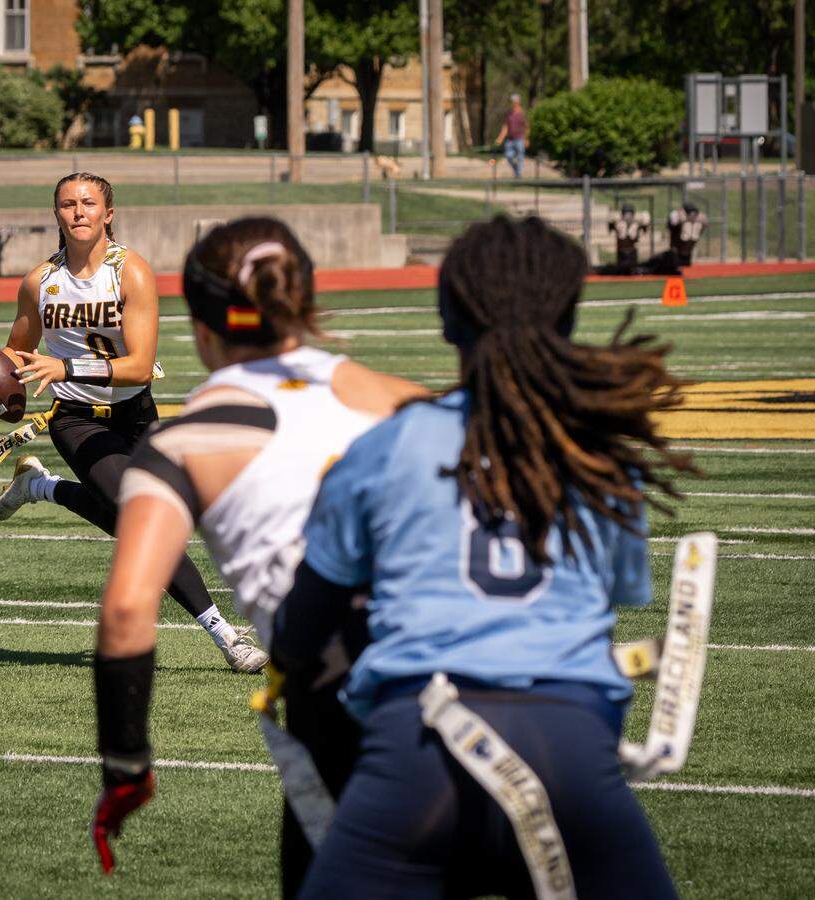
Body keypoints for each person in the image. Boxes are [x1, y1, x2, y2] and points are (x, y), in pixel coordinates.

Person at [271, 215, 696, 898]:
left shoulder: (388, 446)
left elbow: (299, 633)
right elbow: (612, 595)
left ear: (446, 319)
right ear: (568, 316)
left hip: (417, 753)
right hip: (573, 749)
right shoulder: (601, 455)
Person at [85, 216, 427, 886]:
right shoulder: (404, 401)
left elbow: (128, 611)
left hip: (351, 721)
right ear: (305, 300)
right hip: (502, 703)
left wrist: (126, 769)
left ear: (203, 330)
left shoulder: (185, 442)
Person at [0, 172, 266, 673]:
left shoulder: (130, 272)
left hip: (136, 414)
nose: (78, 212)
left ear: (108, 214)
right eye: (68, 204)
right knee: (147, 523)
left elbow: (140, 366)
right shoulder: (41, 281)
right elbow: (18, 349)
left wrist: (66, 366)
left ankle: (42, 488)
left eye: (88, 203)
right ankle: (226, 636)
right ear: (56, 215)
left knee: (131, 517)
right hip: (75, 421)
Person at [596, 204, 652, 275]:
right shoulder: (619, 225)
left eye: (629, 214)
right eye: (626, 214)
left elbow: (645, 228)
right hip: (621, 252)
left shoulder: (636, 225)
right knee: (621, 271)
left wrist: (646, 220)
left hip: (632, 252)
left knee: (632, 271)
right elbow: (611, 226)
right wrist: (610, 217)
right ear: (622, 214)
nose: (627, 216)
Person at [495, 94, 529, 178]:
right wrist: (500, 138)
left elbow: (527, 127)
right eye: (512, 102)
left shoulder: (522, 113)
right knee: (508, 156)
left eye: (514, 101)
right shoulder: (509, 114)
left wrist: (526, 139)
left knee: (520, 157)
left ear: (518, 102)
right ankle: (517, 171)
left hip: (520, 139)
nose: (513, 103)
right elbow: (505, 127)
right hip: (510, 139)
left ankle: (518, 175)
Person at [668, 201, 708, 266]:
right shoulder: (677, 214)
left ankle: (684, 261)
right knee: (678, 250)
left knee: (687, 250)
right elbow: (672, 225)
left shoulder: (699, 216)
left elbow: (704, 225)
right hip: (678, 235)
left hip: (689, 236)